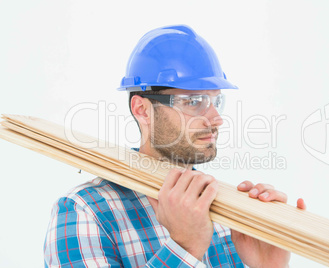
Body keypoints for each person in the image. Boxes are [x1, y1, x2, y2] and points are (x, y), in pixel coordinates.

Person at [44, 25, 306, 268]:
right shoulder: (86, 212)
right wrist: (185, 247)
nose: (216, 119)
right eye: (193, 102)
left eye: (216, 101)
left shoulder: (228, 220)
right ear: (143, 110)